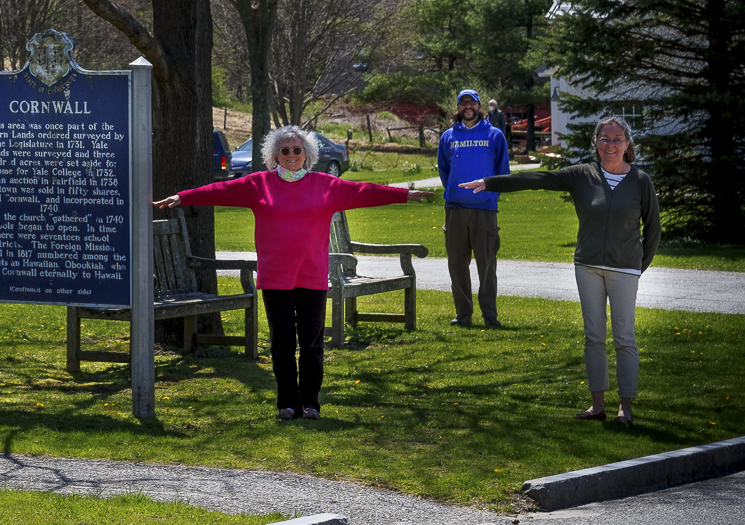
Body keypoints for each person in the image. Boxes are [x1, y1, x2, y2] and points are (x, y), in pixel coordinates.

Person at [153, 125, 433, 422]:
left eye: (297, 150)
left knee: (312, 344)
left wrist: (403, 194)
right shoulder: (258, 184)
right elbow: (220, 191)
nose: (291, 155)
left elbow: (364, 190)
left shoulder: (326, 185)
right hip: (276, 278)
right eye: (285, 150)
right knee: (282, 344)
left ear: (306, 154)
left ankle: (311, 403)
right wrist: (182, 198)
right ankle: (287, 403)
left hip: (312, 277)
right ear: (275, 155)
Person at [460, 116, 659, 426]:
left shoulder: (640, 181)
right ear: (596, 143)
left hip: (624, 269)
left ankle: (626, 408)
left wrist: (637, 267)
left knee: (624, 337)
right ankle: (597, 406)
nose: (610, 144)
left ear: (627, 144)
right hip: (588, 267)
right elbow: (539, 178)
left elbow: (653, 229)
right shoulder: (582, 175)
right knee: (594, 336)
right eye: (604, 138)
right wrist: (492, 182)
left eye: (617, 138)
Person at [438, 89, 510, 328]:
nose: (467, 106)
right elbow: (444, 170)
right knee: (457, 264)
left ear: (479, 106)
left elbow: (502, 172)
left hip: (485, 211)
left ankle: (490, 316)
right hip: (456, 209)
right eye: (463, 103)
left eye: (472, 102)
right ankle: (463, 315)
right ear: (458, 108)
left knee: (487, 265)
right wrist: (454, 192)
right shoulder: (448, 136)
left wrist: (491, 196)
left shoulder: (495, 135)